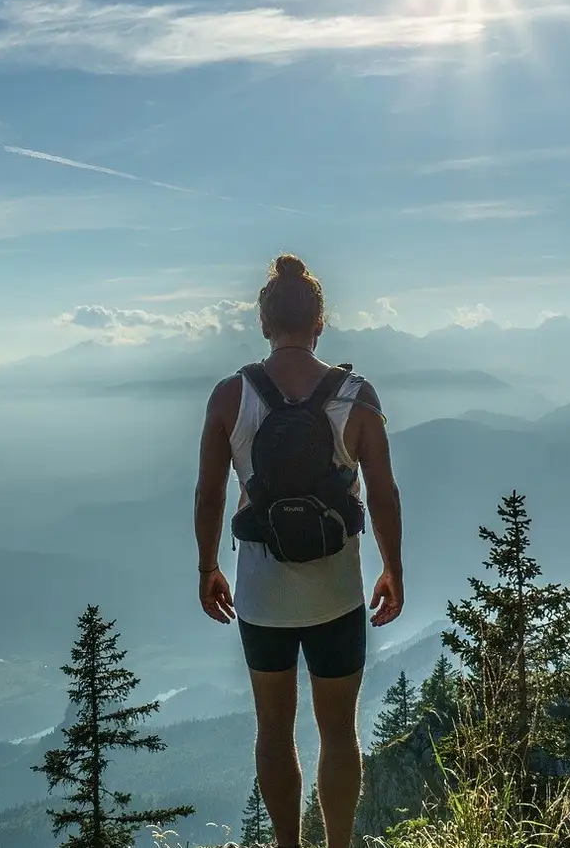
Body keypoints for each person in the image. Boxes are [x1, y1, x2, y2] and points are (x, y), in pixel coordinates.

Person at [194, 253, 405, 848]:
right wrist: (393, 567)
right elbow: (384, 494)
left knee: (273, 730)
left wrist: (208, 566)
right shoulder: (357, 396)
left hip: (262, 592)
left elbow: (210, 494)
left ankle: (288, 846)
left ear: (264, 324)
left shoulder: (230, 396)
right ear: (320, 324)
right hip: (337, 587)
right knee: (339, 732)